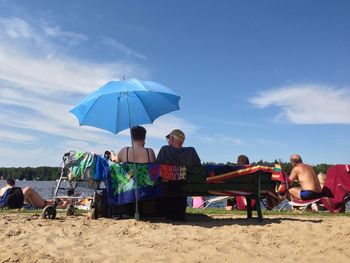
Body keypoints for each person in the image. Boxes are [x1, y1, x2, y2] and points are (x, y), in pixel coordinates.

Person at [157, 129, 201, 220]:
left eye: (169, 138)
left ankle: (169, 214)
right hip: (185, 186)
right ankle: (180, 214)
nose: (168, 140)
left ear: (172, 138)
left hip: (168, 187)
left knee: (166, 184)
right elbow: (198, 167)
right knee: (181, 186)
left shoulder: (165, 149)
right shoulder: (191, 151)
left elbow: (157, 167)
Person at [0, 179, 67, 209]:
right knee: (28, 189)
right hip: (13, 204)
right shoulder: (14, 189)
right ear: (14, 184)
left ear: (6, 183)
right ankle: (58, 205)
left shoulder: (2, 189)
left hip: (6, 205)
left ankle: (48, 202)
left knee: (25, 191)